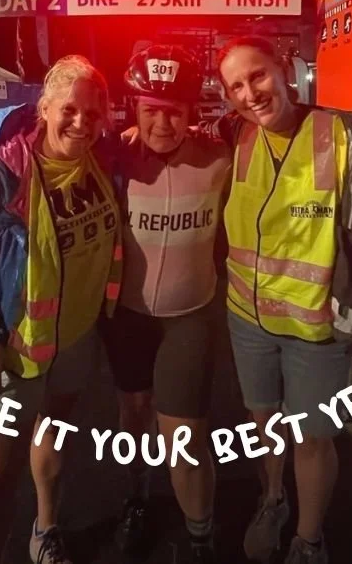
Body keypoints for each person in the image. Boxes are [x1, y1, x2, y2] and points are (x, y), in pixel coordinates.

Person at [210, 35, 352, 564]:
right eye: (235, 86)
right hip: (247, 321)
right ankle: (272, 500)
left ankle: (309, 540)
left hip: (316, 331)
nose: (250, 93)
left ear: (284, 69)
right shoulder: (233, 136)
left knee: (313, 439)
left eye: (258, 75)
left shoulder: (345, 138)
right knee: (265, 426)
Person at [0, 55, 123, 564]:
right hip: (7, 354)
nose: (81, 123)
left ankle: (45, 531)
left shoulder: (100, 162)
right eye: (69, 110)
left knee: (53, 438)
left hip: (74, 340)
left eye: (93, 113)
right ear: (44, 107)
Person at [101, 45, 232, 563]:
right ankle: (137, 497)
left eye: (174, 111)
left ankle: (201, 536)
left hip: (189, 318)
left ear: (191, 112)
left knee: (185, 436)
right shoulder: (111, 155)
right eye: (150, 109)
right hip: (127, 317)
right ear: (133, 108)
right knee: (132, 412)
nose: (162, 123)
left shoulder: (220, 154)